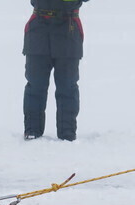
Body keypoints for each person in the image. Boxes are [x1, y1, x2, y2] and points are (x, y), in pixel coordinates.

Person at [22, 0, 89, 142]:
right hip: (38, 29)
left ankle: (67, 134)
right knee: (35, 85)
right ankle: (32, 131)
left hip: (68, 29)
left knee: (68, 87)